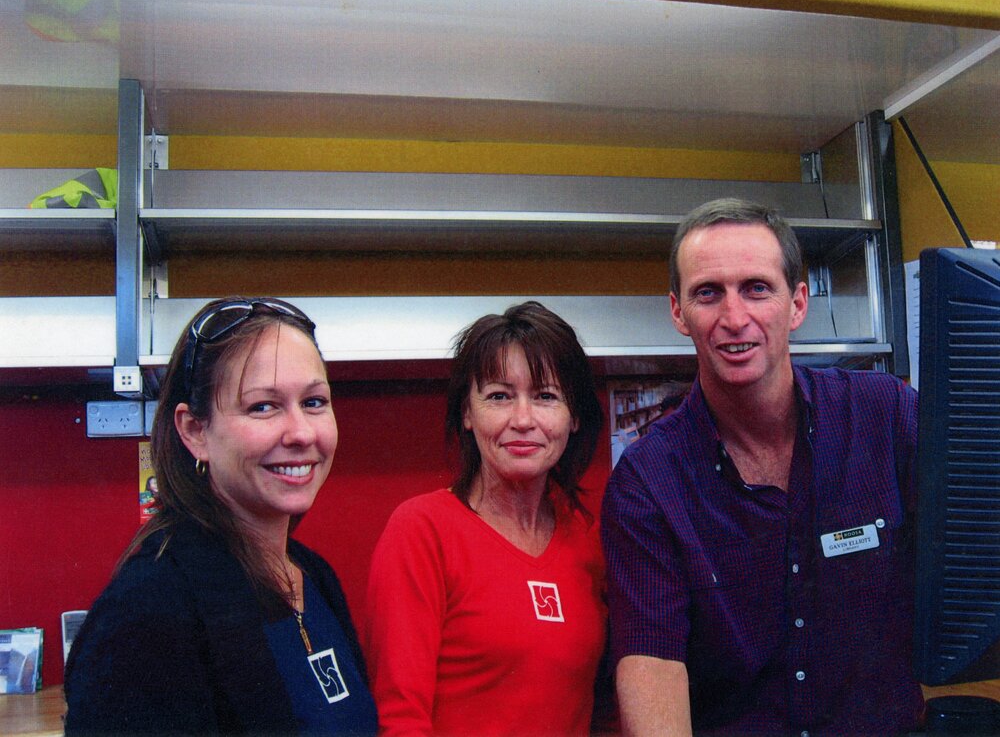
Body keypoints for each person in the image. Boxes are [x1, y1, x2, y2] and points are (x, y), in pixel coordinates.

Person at [602, 198, 923, 736]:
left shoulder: (887, 416)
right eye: (708, 293)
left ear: (797, 304)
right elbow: (652, 665)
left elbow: (974, 562)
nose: (734, 318)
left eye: (757, 288)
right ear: (679, 312)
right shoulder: (648, 483)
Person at [65, 297, 378, 735]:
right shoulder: (148, 611)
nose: (302, 432)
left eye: (313, 402)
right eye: (262, 407)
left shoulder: (314, 577)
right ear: (195, 432)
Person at [364, 301, 608, 736]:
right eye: (499, 396)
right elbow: (400, 719)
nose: (523, 420)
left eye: (546, 396)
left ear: (573, 419)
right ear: (466, 414)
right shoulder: (422, 531)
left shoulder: (589, 540)